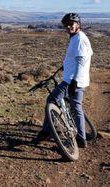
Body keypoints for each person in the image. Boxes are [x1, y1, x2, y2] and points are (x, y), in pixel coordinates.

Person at [34, 13, 93, 148]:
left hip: (72, 80)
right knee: (76, 107)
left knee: (51, 100)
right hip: (77, 79)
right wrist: (66, 66)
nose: (68, 27)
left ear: (78, 24)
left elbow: (81, 61)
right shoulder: (77, 38)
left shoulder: (79, 39)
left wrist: (74, 81)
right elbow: (82, 57)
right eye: (66, 25)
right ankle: (81, 138)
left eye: (71, 24)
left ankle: (47, 131)